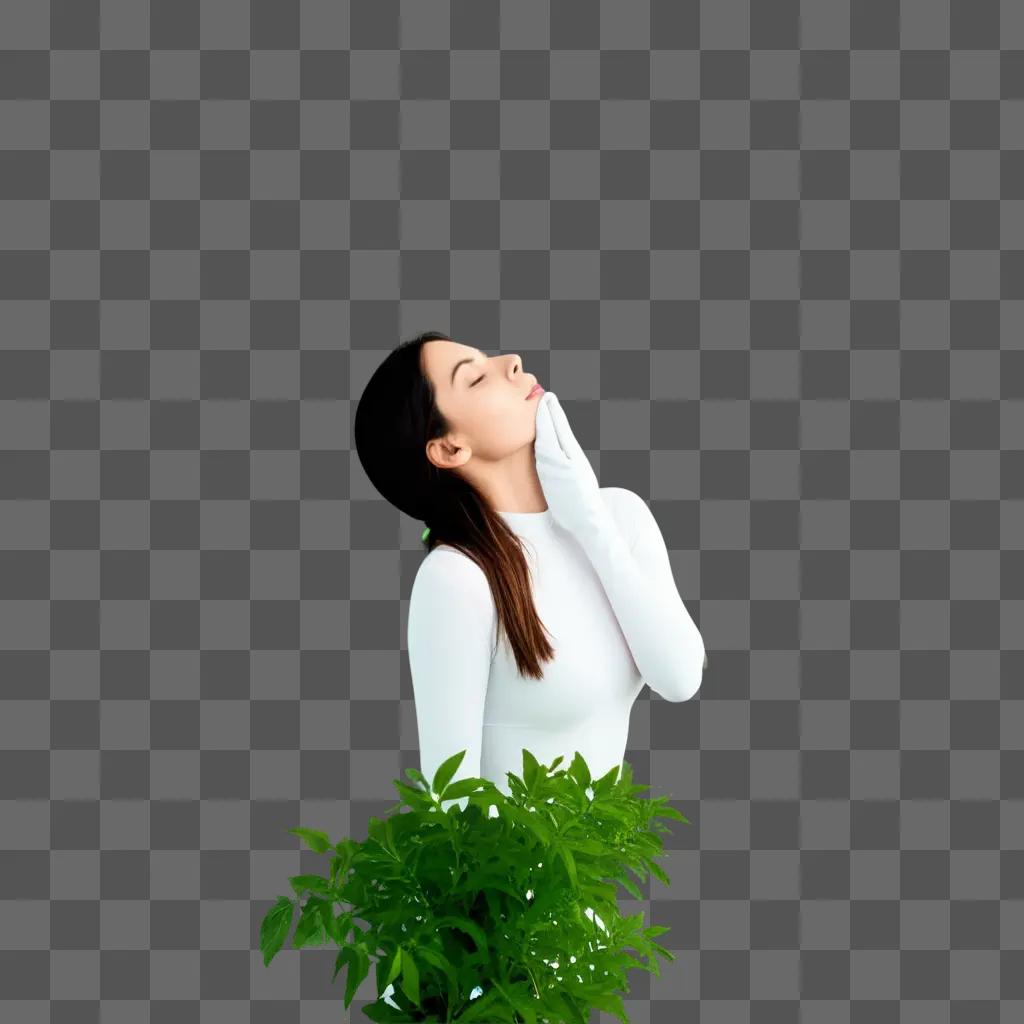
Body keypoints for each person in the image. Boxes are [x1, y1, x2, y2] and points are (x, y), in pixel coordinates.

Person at [353, 330, 706, 1009]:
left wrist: (587, 516)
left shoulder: (621, 519)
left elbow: (680, 674)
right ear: (448, 448)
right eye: (475, 376)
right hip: (499, 944)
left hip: (585, 928)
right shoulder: (457, 579)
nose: (511, 362)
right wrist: (472, 971)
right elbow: (447, 798)